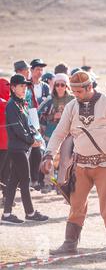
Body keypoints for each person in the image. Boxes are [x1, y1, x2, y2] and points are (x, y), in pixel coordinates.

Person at [41, 71, 106, 259]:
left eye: (78, 91)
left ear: (89, 87)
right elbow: (59, 133)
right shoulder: (72, 106)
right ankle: (70, 244)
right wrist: (48, 155)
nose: (75, 95)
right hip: (80, 165)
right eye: (73, 91)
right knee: (76, 204)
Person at [1, 74, 49, 224]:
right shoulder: (12, 105)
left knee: (13, 181)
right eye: (21, 86)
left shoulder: (20, 104)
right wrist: (32, 141)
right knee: (25, 181)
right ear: (13, 88)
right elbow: (18, 130)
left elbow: (27, 126)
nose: (24, 88)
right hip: (17, 148)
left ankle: (7, 214)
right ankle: (30, 212)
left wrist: (35, 136)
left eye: (25, 86)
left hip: (21, 147)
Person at [38, 73, 75, 193]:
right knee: (50, 159)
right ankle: (49, 183)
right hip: (51, 132)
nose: (59, 87)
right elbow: (39, 113)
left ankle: (61, 185)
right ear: (54, 86)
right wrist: (52, 115)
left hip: (68, 134)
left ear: (66, 86)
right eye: (57, 85)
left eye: (62, 85)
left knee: (65, 160)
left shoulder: (72, 100)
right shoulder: (49, 100)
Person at [26, 59, 50, 192]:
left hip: (43, 123)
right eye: (37, 69)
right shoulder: (26, 85)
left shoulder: (45, 87)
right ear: (31, 70)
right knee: (30, 151)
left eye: (41, 69)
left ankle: (38, 179)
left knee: (41, 151)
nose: (40, 72)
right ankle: (29, 180)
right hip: (29, 123)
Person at [0, 78, 10, 207]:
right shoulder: (9, 103)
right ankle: (7, 197)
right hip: (7, 143)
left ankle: (7, 197)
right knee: (7, 171)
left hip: (6, 143)